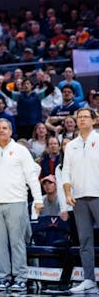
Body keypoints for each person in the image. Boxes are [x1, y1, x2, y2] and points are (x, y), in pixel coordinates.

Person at [0, 118, 43, 294]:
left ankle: (21, 278)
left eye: (5, 128)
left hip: (16, 201)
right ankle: (4, 278)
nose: (1, 131)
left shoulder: (21, 151)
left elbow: (32, 177)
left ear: (10, 131)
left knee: (17, 243)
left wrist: (38, 199)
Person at [61, 107, 99, 293]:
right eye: (79, 117)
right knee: (85, 240)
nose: (82, 120)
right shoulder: (70, 145)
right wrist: (68, 193)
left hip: (98, 194)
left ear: (94, 120)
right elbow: (65, 171)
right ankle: (89, 279)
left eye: (86, 117)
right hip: (79, 198)